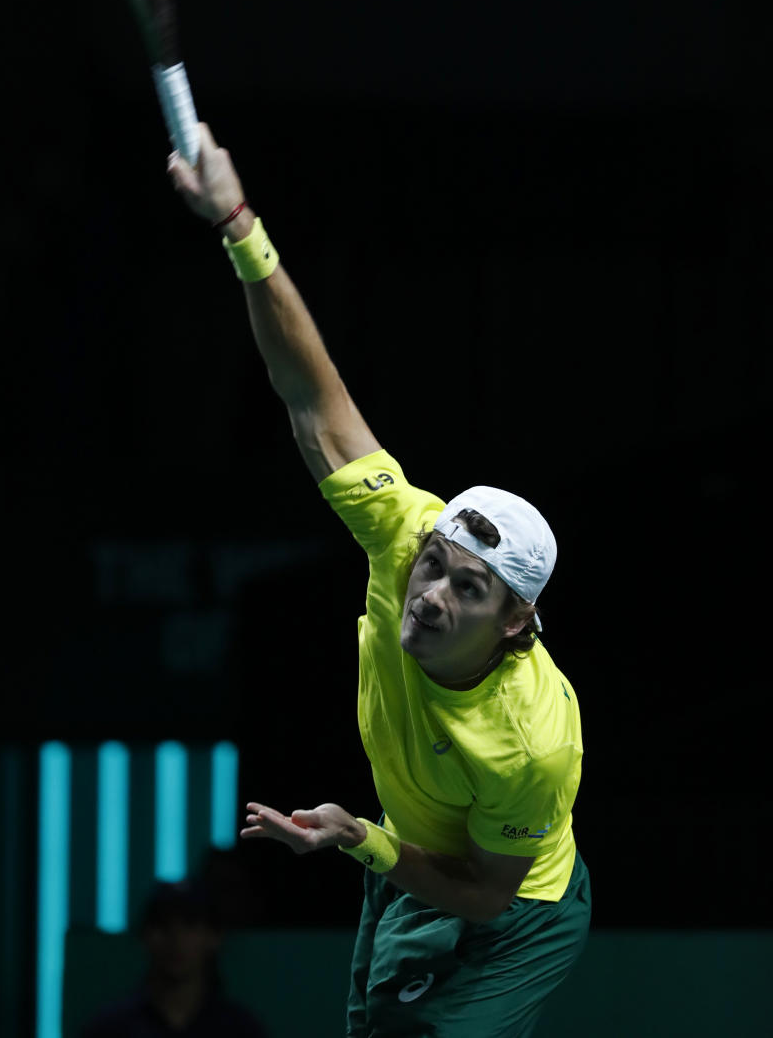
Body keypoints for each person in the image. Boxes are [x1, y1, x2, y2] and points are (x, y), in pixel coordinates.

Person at [168, 124, 591, 1037]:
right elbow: (311, 395)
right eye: (433, 565)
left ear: (516, 623)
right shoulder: (404, 539)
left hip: (516, 910)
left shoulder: (532, 742)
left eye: (467, 591)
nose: (430, 592)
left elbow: (483, 896)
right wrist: (239, 224)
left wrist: (362, 837)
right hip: (413, 856)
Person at [78, 877, 267, 1038]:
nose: (176, 939)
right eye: (162, 925)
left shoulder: (240, 1030)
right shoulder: (110, 1029)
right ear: (145, 936)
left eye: (190, 925)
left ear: (213, 937)